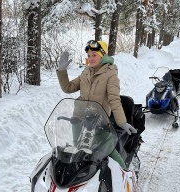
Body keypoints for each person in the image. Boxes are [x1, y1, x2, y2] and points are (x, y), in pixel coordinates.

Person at [56, 40, 137, 169]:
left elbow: (114, 99)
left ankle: (127, 175)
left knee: (109, 151)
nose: (91, 58)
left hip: (99, 122)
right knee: (79, 152)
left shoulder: (110, 74)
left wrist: (122, 122)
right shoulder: (86, 72)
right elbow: (68, 87)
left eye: (94, 55)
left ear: (103, 55)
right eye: (89, 55)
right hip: (79, 119)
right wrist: (62, 71)